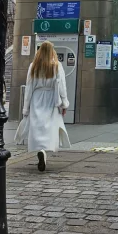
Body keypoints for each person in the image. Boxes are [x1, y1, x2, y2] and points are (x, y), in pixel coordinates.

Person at [21, 40, 71, 172]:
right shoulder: (57, 66)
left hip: (36, 97)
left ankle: (40, 149)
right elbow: (62, 87)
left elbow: (29, 88)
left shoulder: (33, 66)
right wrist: (64, 103)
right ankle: (46, 149)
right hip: (51, 98)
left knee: (37, 126)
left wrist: (25, 108)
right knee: (49, 126)